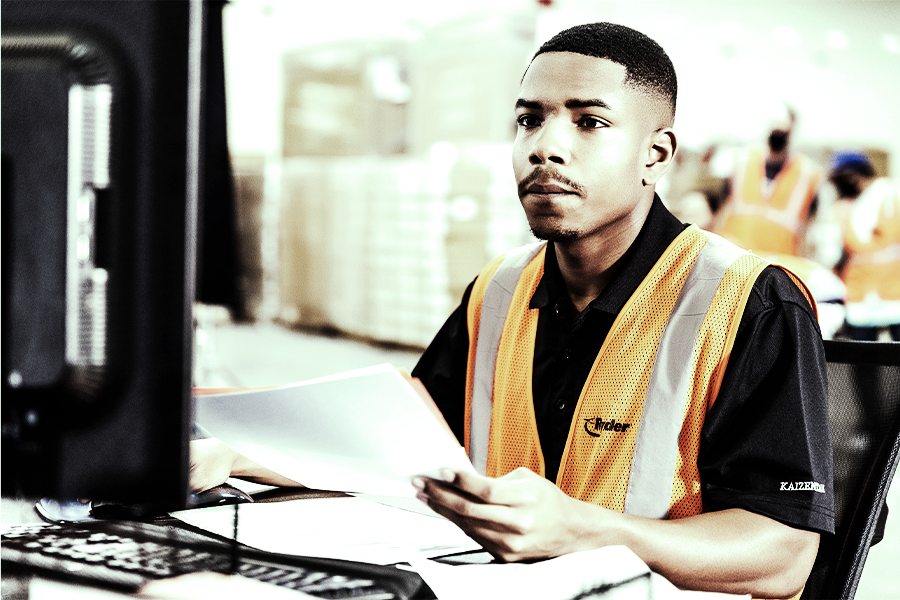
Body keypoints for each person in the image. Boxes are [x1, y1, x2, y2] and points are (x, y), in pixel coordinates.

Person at [191, 22, 833, 598]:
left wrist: (585, 531)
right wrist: (238, 453)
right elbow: (403, 445)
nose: (545, 147)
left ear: (655, 155)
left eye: (589, 121)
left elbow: (783, 558)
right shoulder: (499, 289)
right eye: (530, 119)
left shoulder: (750, 302)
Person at [714, 103, 822, 257]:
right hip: (735, 260)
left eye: (783, 129)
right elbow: (722, 211)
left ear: (792, 130)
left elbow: (806, 230)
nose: (778, 131)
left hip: (778, 266)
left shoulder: (807, 174)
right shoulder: (742, 161)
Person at [830, 150, 900, 341]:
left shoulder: (891, 194)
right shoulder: (847, 208)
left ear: (857, 175)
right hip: (859, 299)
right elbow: (841, 257)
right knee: (864, 361)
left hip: (893, 295)